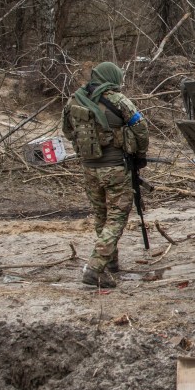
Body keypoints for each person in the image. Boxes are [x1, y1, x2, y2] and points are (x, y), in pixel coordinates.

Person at [62, 62, 149, 288]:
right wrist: (140, 154)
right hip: (115, 168)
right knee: (117, 217)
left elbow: (67, 131)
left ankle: (111, 262)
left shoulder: (74, 100)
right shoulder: (118, 100)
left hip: (89, 168)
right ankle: (95, 266)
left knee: (101, 215)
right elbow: (141, 127)